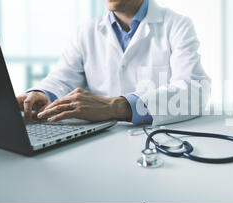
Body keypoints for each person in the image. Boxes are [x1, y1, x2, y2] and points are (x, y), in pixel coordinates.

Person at [16, 0, 211, 126]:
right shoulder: (86, 32)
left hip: (158, 139)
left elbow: (194, 92)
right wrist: (40, 94)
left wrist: (117, 107)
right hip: (100, 141)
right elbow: (63, 79)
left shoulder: (177, 25)